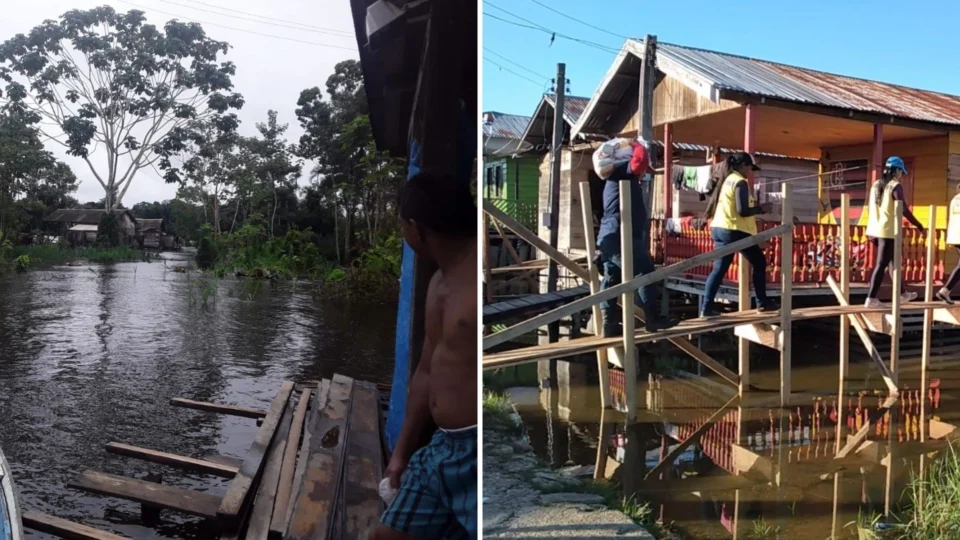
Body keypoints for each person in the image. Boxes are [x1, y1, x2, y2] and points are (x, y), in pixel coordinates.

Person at [373, 171, 477, 540]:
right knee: (385, 536)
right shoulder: (438, 282)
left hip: (475, 450)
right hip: (442, 448)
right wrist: (399, 455)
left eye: (401, 226)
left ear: (416, 229)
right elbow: (425, 371)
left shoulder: (478, 277)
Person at [594, 137, 678, 337]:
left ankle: (609, 325)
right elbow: (639, 161)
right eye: (641, 171)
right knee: (645, 273)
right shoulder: (622, 172)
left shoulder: (618, 177)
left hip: (613, 236)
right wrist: (637, 144)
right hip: (621, 236)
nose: (642, 174)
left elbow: (640, 165)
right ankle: (653, 319)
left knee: (611, 278)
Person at [699, 152, 778, 318]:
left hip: (719, 228)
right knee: (759, 262)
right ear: (743, 165)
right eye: (750, 168)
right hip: (734, 230)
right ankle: (762, 304)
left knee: (719, 269)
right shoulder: (740, 182)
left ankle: (706, 308)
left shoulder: (726, 180)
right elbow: (743, 211)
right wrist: (761, 208)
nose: (750, 172)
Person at [863, 156, 924, 308]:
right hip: (887, 230)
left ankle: (903, 293)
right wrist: (919, 225)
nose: (901, 175)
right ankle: (871, 298)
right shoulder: (895, 186)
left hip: (873, 228)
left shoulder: (876, 184)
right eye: (901, 172)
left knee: (892, 262)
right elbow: (902, 208)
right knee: (882, 263)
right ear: (896, 170)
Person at [936, 183, 960, 303]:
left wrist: (949, 237)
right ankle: (945, 290)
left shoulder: (955, 199)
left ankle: (946, 290)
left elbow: (951, 218)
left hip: (956, 235)